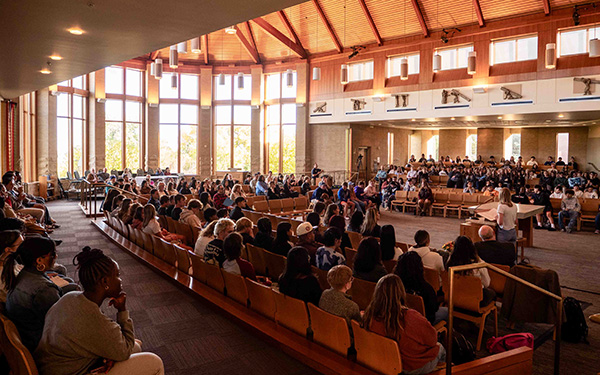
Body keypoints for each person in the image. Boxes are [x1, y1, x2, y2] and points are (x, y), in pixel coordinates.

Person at [34, 247, 164, 375]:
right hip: (72, 371)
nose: (120, 280)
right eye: (117, 275)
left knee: (136, 346)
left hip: (54, 364)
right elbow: (124, 350)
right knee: (154, 362)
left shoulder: (71, 296)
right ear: (105, 282)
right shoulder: (94, 321)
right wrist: (122, 310)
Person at [3, 237, 77, 352]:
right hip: (39, 342)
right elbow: (59, 324)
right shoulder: (44, 290)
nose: (55, 257)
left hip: (25, 332)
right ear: (39, 261)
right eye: (52, 254)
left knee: (72, 288)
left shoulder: (23, 273)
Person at [363, 274, 445, 374]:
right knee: (440, 347)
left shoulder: (370, 314)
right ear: (401, 293)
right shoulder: (409, 316)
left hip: (385, 361)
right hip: (409, 367)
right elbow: (432, 340)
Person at [395, 251, 447, 325]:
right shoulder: (427, 289)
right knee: (447, 311)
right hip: (423, 322)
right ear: (420, 267)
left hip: (400, 318)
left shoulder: (395, 285)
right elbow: (434, 309)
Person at [446, 236, 495, 306]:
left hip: (454, 295)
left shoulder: (450, 262)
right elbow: (487, 283)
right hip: (474, 298)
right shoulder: (479, 264)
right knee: (491, 293)